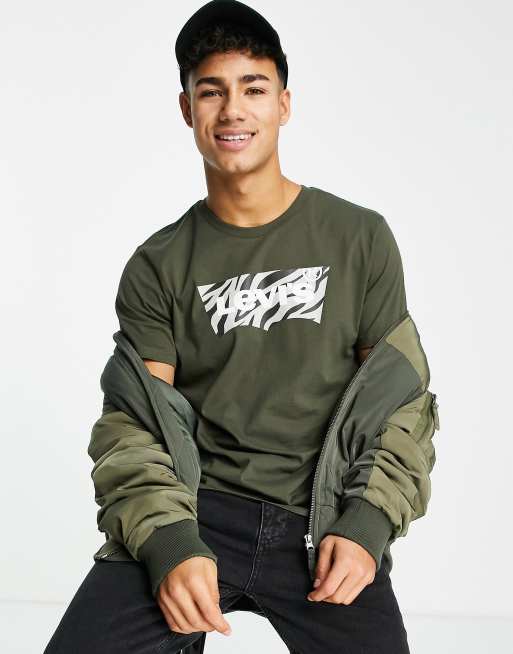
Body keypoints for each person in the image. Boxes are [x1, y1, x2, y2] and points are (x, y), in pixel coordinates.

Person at [43, 2, 435, 652]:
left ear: (283, 104)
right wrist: (170, 541)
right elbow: (134, 426)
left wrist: (366, 524)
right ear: (186, 109)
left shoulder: (360, 239)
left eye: (253, 89)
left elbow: (400, 408)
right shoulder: (158, 264)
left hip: (321, 521)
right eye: (211, 92)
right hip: (199, 513)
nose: (232, 111)